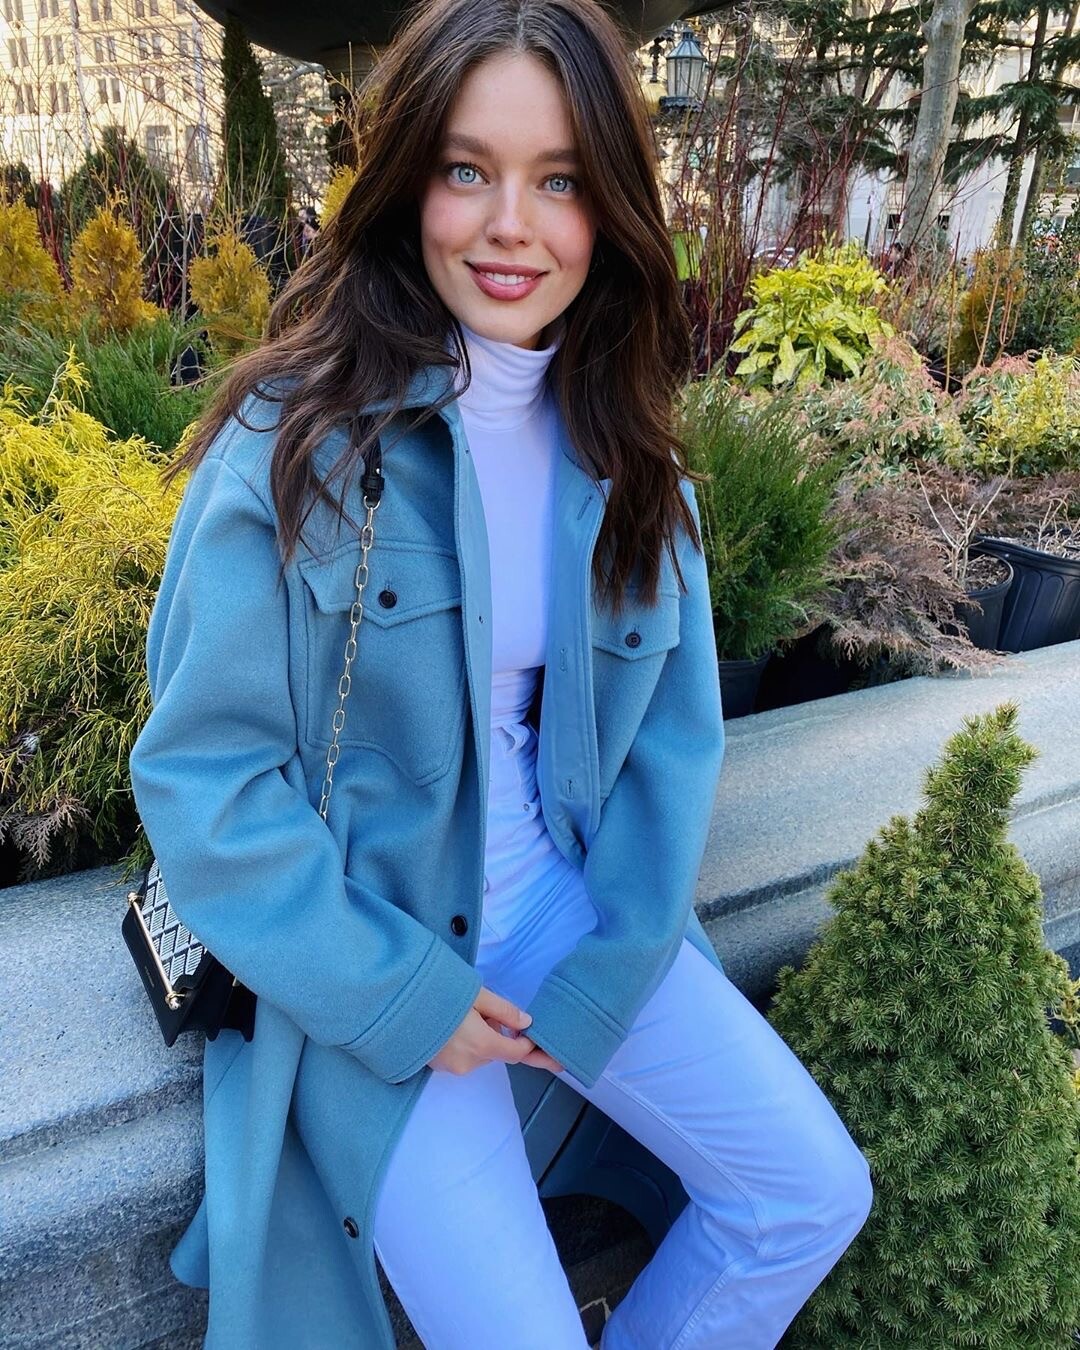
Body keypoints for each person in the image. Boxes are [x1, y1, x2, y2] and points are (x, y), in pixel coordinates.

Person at [127, 1, 873, 1347]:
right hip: (384, 960)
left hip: (568, 920)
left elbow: (668, 750)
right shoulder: (291, 444)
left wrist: (609, 973)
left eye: (560, 181)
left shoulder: (631, 456)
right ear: (409, 180)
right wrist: (405, 997)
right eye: (468, 169)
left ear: (612, 207)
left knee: (809, 1192)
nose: (510, 225)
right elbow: (204, 777)